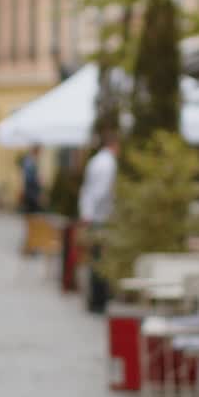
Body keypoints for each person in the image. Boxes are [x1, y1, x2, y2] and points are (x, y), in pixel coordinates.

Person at [78, 132, 120, 314]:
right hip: (101, 218)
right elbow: (101, 191)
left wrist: (86, 213)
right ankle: (98, 301)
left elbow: (87, 189)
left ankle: (95, 300)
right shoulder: (108, 163)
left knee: (96, 260)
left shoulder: (95, 161)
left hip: (94, 216)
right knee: (100, 261)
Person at [20, 146, 42, 214]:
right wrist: (37, 179)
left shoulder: (32, 160)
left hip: (31, 189)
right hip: (31, 189)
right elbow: (29, 177)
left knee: (32, 209)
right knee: (31, 209)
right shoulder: (29, 161)